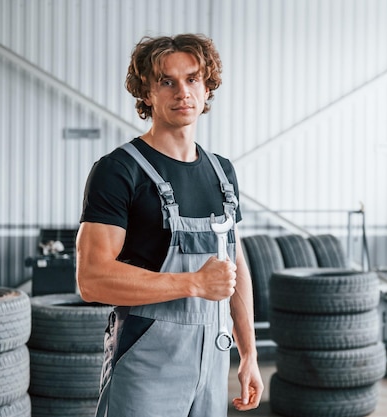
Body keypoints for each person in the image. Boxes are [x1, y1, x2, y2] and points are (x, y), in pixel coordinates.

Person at [76, 33, 263, 416]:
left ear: (207, 87)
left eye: (193, 79)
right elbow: (91, 280)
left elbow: (235, 266)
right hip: (146, 362)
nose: (183, 92)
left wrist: (248, 354)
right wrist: (193, 283)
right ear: (146, 92)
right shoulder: (118, 170)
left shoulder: (222, 172)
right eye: (167, 81)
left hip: (213, 359)